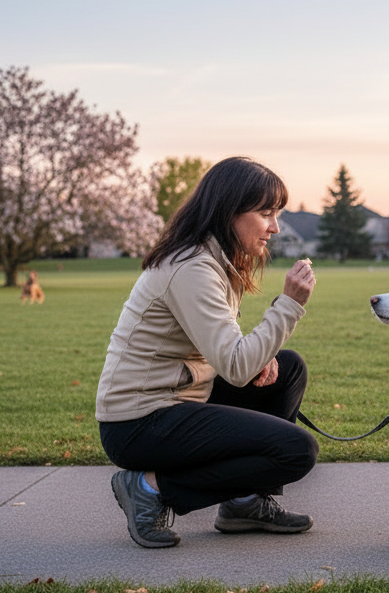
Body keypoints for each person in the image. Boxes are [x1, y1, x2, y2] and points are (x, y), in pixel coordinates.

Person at [95, 157, 319, 549]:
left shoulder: (214, 260)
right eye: (266, 213)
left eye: (277, 214)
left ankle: (243, 502)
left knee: (288, 368)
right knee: (296, 451)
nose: (275, 227)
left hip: (178, 400)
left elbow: (223, 350)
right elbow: (235, 367)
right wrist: (288, 305)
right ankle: (149, 488)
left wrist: (258, 358)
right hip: (138, 422)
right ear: (229, 211)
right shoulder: (193, 267)